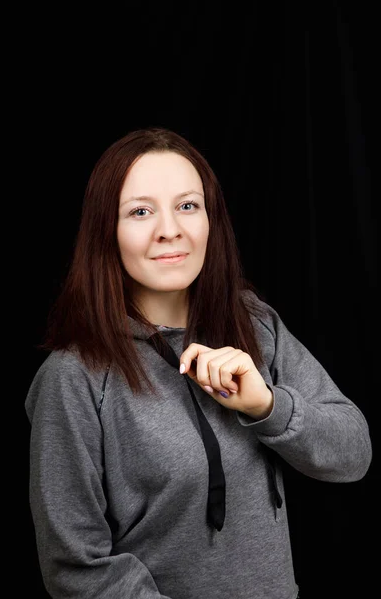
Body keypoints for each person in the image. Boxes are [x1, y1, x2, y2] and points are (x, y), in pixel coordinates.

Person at [25, 126, 372, 599]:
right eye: (140, 212)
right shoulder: (75, 377)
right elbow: (75, 566)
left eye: (187, 205)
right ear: (106, 230)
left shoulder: (255, 323)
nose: (171, 229)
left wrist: (265, 405)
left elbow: (353, 454)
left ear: (211, 220)